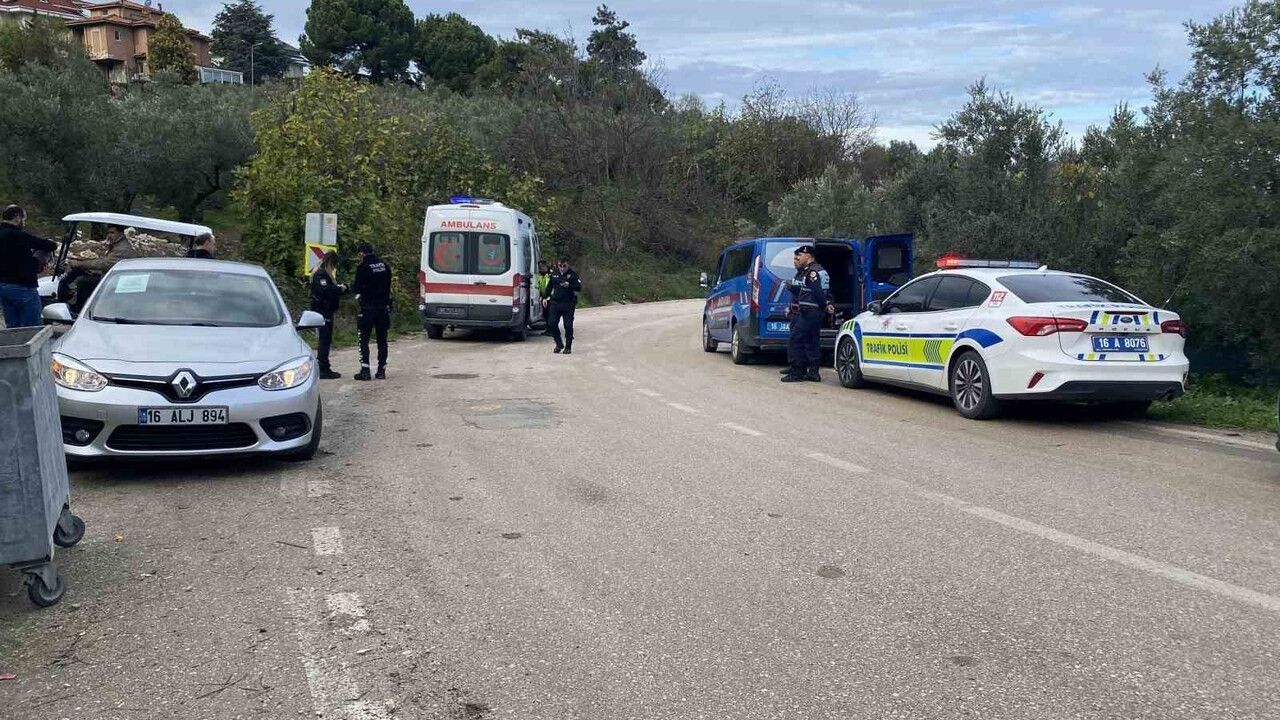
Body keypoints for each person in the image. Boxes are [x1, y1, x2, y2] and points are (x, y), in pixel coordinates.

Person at [781, 245, 834, 383]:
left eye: (801, 255)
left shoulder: (812, 272)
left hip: (810, 311)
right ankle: (813, 373)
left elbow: (818, 292)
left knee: (796, 339)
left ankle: (797, 372)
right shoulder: (814, 270)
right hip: (812, 312)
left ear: (808, 256)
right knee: (811, 341)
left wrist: (825, 306)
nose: (798, 257)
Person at [0, 205, 57, 329]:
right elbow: (50, 246)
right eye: (24, 219)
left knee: (13, 328)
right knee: (32, 328)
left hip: (3, 286)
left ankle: (14, 348)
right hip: (23, 286)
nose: (24, 223)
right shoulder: (18, 235)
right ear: (17, 217)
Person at [352, 242, 392, 381]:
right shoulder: (384, 266)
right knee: (382, 340)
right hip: (382, 308)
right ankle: (381, 370)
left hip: (368, 308)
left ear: (362, 253)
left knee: (363, 338)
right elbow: (388, 286)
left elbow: (357, 290)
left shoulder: (362, 268)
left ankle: (365, 370)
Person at [310, 251, 346, 380]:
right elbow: (325, 290)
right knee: (324, 339)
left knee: (326, 339)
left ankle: (325, 365)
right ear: (331, 262)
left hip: (325, 309)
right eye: (334, 264)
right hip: (322, 310)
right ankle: (323, 367)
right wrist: (340, 289)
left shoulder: (322, 272)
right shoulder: (321, 273)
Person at [543, 257, 581, 354]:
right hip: (555, 303)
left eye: (564, 266)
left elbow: (579, 287)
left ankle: (568, 347)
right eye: (560, 265)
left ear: (568, 265)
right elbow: (549, 286)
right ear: (558, 265)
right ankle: (559, 343)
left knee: (568, 325)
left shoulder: (573, 275)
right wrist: (544, 297)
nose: (562, 268)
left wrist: (570, 285)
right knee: (551, 323)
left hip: (568, 303)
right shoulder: (554, 274)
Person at [535, 261, 553, 335]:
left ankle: (551, 330)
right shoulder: (540, 275)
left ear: (546, 266)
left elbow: (552, 287)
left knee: (550, 315)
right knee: (545, 315)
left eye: (542, 266)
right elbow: (539, 286)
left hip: (550, 298)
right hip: (543, 298)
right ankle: (548, 330)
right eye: (540, 267)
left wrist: (548, 297)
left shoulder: (550, 275)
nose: (541, 268)